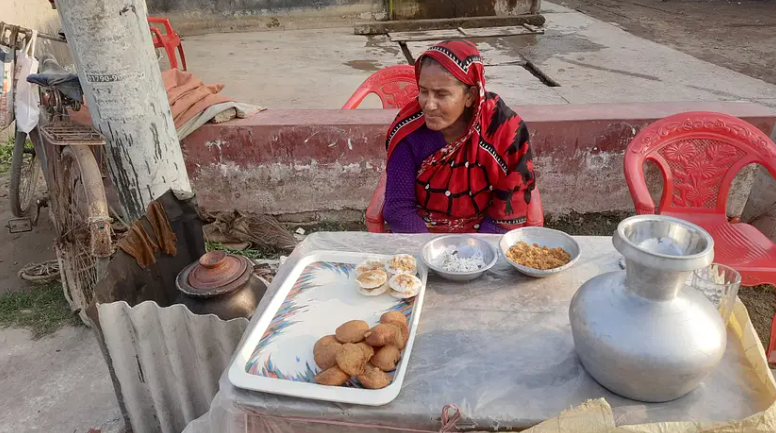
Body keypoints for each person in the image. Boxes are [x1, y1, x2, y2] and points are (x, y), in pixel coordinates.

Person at [384, 40, 537, 234]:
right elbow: (399, 210)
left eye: (441, 94)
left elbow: (506, 213)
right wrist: (434, 254)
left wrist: (476, 255)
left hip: (484, 232)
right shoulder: (408, 133)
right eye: (423, 91)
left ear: (470, 96)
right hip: (421, 233)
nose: (429, 105)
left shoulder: (505, 130)